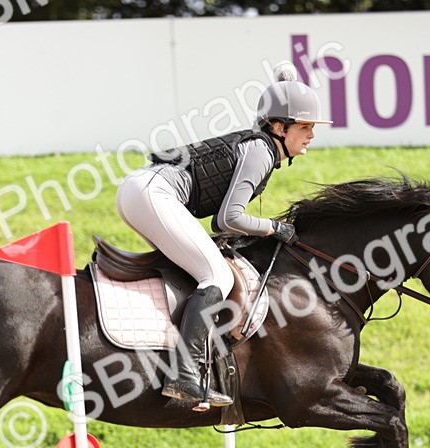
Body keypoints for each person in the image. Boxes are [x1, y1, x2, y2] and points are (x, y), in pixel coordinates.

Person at [115, 63, 332, 409]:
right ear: (279, 126)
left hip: (142, 191)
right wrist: (276, 227)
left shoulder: (261, 146)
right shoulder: (261, 149)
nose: (311, 135)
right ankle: (185, 375)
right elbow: (228, 219)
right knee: (214, 273)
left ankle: (184, 365)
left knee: (199, 270)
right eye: (304, 127)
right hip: (153, 193)